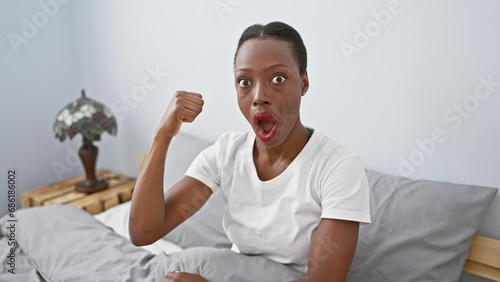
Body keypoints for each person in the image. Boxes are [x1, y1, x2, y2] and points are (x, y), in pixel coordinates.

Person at [129, 21, 371, 282]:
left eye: (277, 78)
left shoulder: (338, 167)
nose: (259, 96)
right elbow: (144, 232)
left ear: (303, 83)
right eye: (245, 81)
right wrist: (162, 136)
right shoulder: (226, 153)